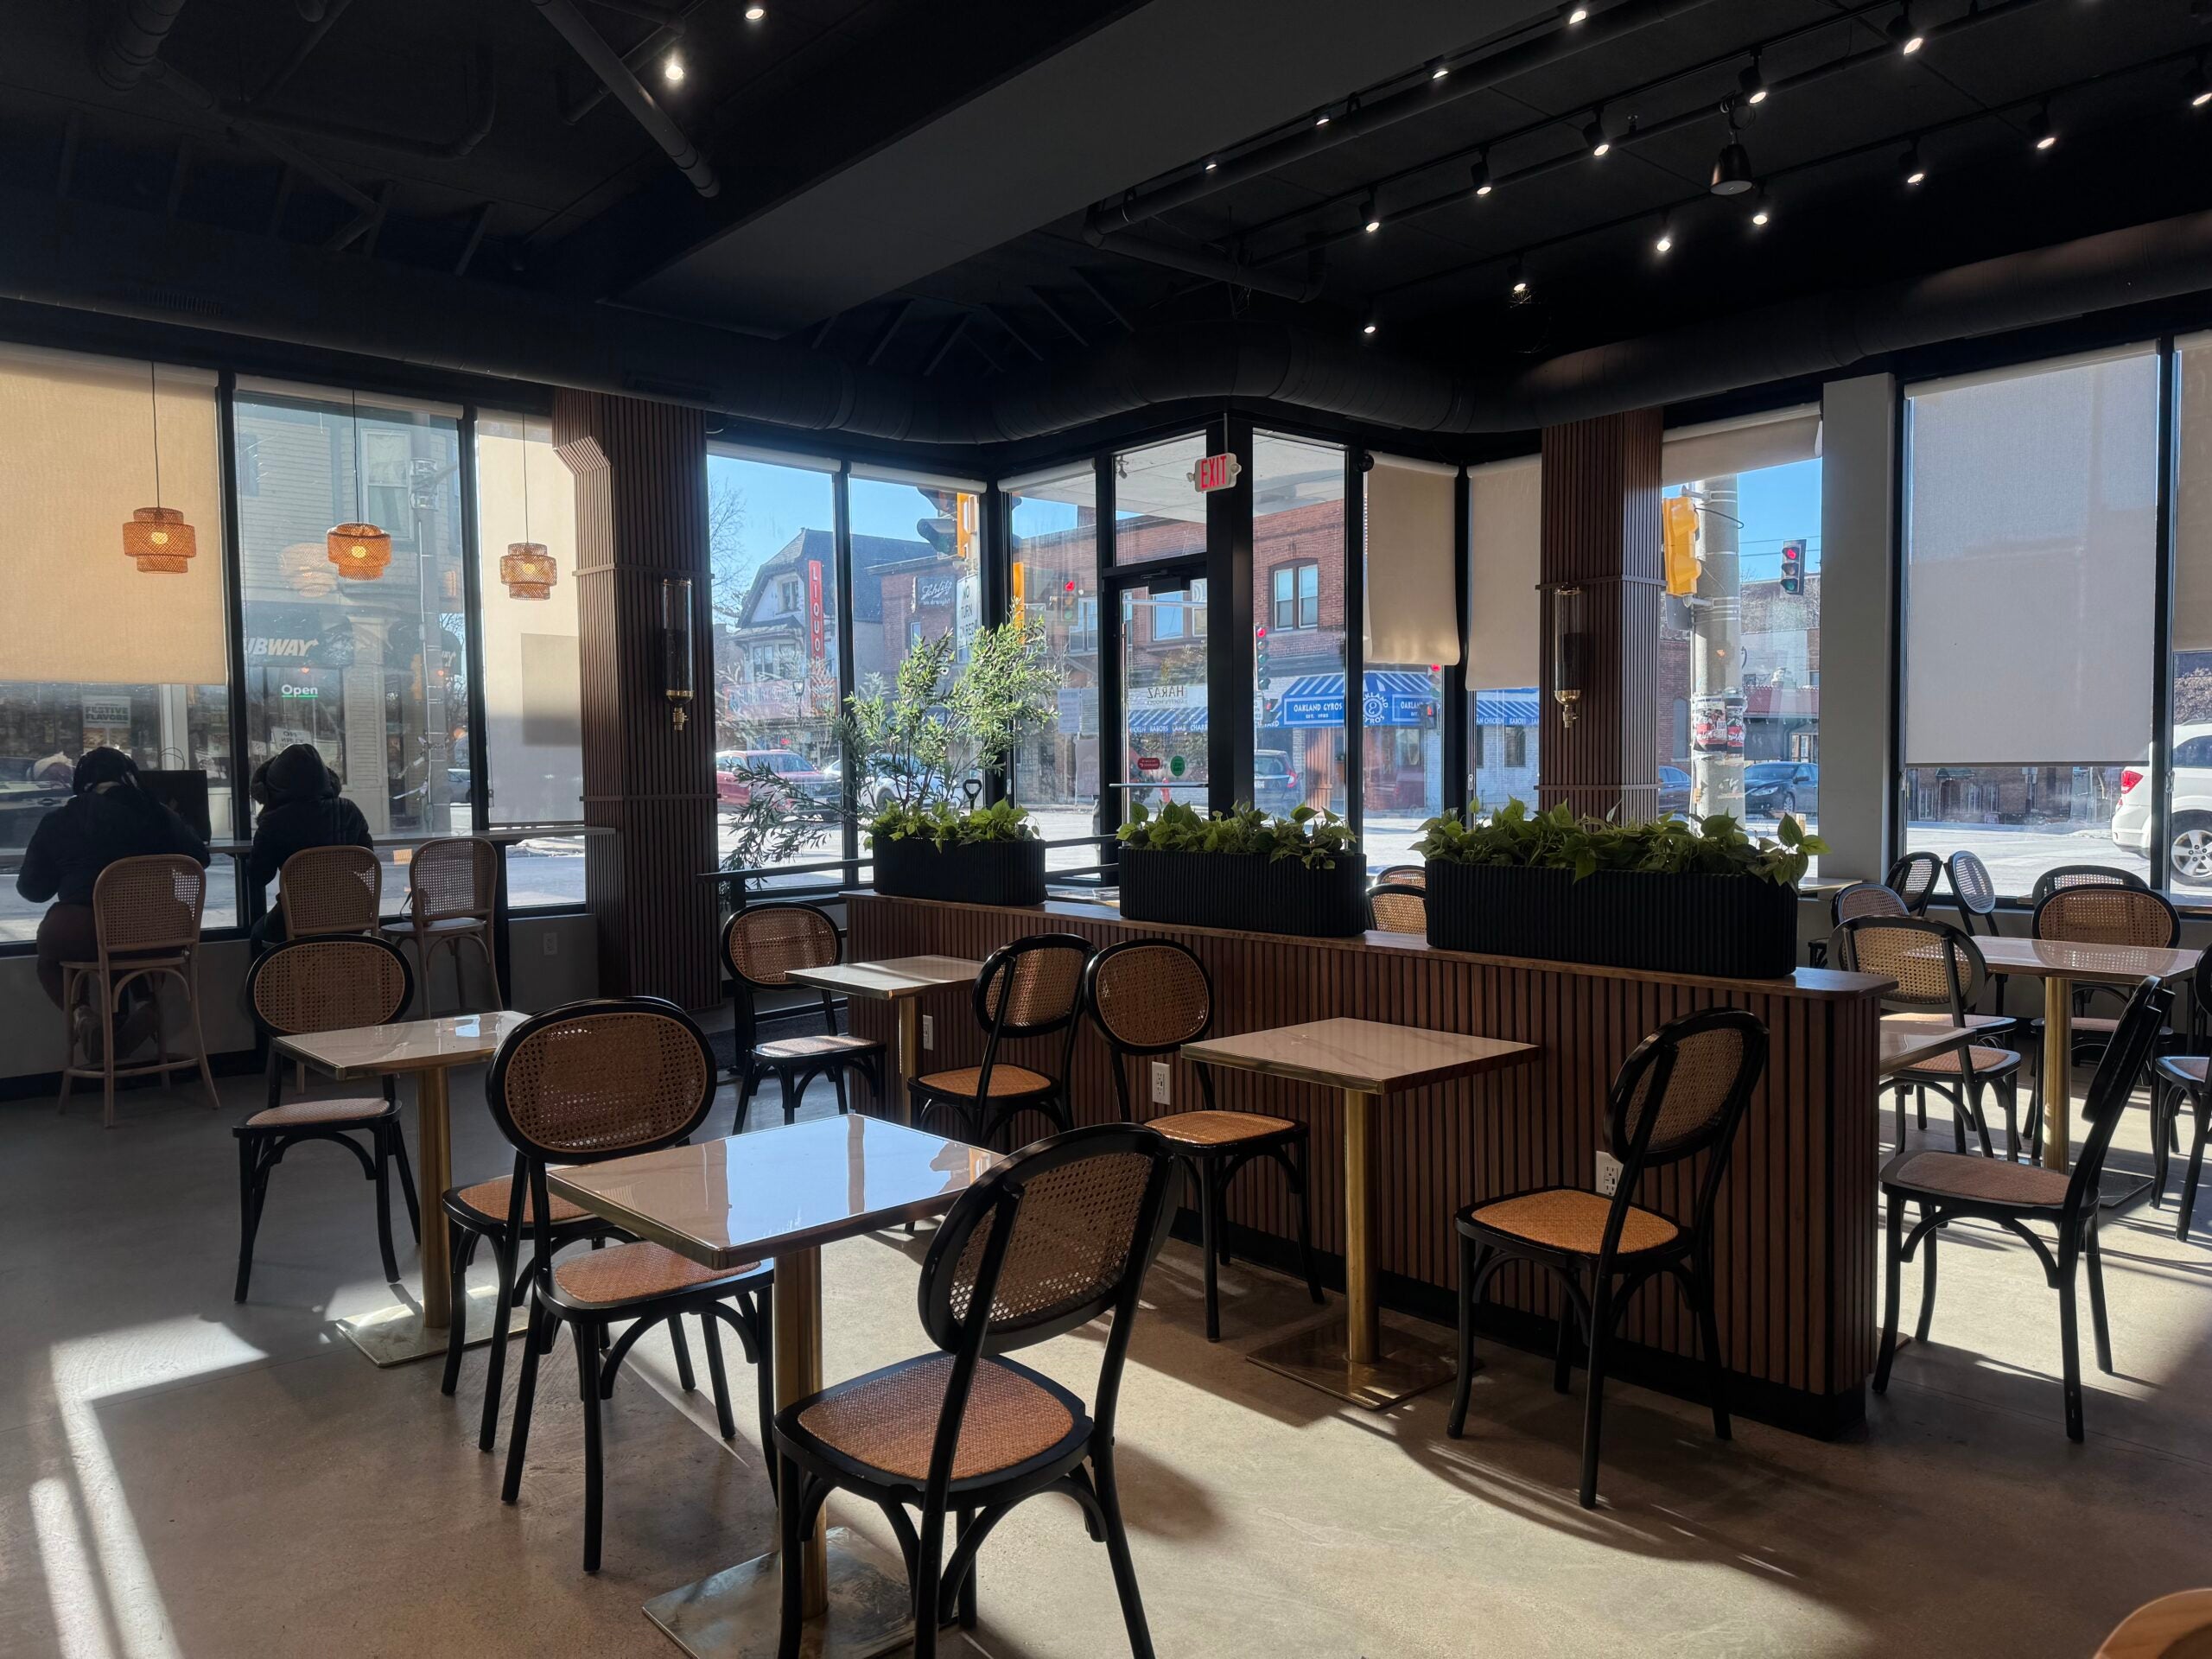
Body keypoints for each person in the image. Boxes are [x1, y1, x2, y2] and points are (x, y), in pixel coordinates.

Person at [16, 748, 212, 1056]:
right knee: (132, 946)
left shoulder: (60, 820)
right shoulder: (159, 813)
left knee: (49, 961)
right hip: (160, 930)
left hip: (82, 931)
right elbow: (201, 858)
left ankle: (83, 1016)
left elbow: (32, 890)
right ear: (130, 778)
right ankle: (148, 1006)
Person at [248, 743, 374, 945]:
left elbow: (259, 876)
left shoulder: (273, 822)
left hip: (299, 917)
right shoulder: (348, 810)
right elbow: (365, 862)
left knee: (257, 935)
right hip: (354, 914)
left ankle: (283, 977)